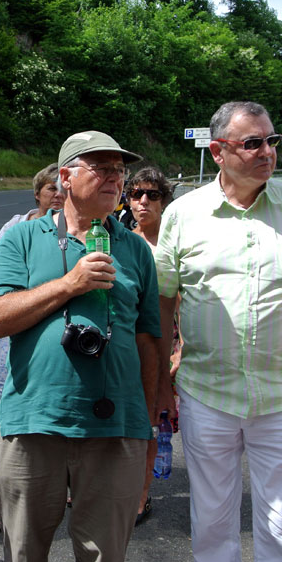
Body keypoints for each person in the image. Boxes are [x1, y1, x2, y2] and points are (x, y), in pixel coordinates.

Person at [155, 101, 282, 562]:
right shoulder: (183, 214)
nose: (267, 151)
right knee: (211, 518)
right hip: (208, 392)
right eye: (252, 143)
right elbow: (165, 300)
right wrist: (162, 382)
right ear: (219, 151)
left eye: (272, 140)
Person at [0, 131, 161, 562]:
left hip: (116, 426)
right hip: (33, 423)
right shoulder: (22, 238)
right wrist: (68, 285)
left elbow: (149, 339)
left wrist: (147, 425)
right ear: (66, 176)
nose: (115, 179)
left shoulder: (135, 248)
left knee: (105, 557)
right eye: (101, 168)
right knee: (24, 553)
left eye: (120, 171)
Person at [0, 163, 63, 487]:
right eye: (50, 188)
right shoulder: (18, 225)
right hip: (14, 316)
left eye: (61, 188)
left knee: (48, 387)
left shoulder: (70, 227)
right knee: (1, 390)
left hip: (50, 317)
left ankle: (39, 459)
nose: (57, 194)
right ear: (38, 192)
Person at [124, 166, 179, 526]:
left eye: (153, 195)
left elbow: (190, 301)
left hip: (164, 345)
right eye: (136, 195)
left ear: (165, 200)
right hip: (126, 344)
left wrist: (181, 350)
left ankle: (141, 496)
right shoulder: (120, 240)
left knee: (151, 424)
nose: (143, 202)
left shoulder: (177, 244)